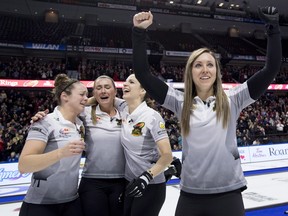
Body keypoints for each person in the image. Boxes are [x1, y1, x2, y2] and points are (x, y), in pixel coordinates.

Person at [131, 6, 281, 216]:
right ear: (190, 71)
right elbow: (143, 74)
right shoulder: (178, 101)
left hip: (228, 195)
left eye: (210, 65)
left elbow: (271, 69)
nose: (205, 70)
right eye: (198, 65)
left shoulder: (234, 99)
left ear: (217, 71)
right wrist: (139, 32)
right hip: (190, 197)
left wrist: (272, 27)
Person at [31, 75, 127, 216]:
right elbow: (66, 110)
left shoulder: (126, 112)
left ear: (115, 91)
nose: (103, 91)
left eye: (107, 87)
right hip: (92, 181)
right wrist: (41, 118)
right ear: (93, 93)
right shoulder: (84, 113)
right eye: (98, 88)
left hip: (121, 180)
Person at [18, 74, 88, 216]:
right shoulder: (45, 121)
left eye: (87, 95)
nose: (86, 98)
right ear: (64, 96)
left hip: (72, 203)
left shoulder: (81, 124)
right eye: (82, 94)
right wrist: (60, 153)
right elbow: (24, 165)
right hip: (40, 205)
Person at [119, 74, 173, 216]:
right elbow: (103, 97)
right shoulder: (123, 108)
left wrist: (146, 177)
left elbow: (167, 156)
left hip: (150, 186)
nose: (125, 84)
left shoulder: (152, 116)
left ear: (142, 91)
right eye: (125, 81)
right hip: (130, 183)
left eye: (131, 82)